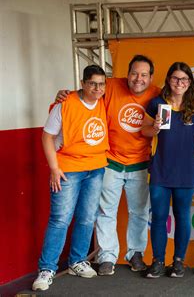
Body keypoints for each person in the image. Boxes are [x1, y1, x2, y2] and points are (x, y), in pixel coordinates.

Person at [55, 55, 161, 275]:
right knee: (105, 211)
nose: (138, 79)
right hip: (110, 161)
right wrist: (65, 95)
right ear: (126, 73)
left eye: (143, 75)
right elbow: (87, 94)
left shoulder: (158, 94)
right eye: (134, 73)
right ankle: (107, 256)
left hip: (140, 163)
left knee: (139, 212)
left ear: (151, 77)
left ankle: (136, 253)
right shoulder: (111, 85)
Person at [32, 65, 109, 291]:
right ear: (83, 83)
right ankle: (47, 269)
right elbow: (47, 137)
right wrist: (54, 168)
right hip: (68, 170)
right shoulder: (65, 105)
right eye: (92, 83)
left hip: (96, 168)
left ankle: (77, 260)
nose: (97, 88)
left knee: (86, 217)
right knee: (60, 219)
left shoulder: (104, 102)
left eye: (101, 84)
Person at [141, 62, 194, 279]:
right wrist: (154, 127)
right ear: (168, 80)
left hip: (185, 170)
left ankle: (178, 261)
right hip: (160, 169)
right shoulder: (157, 103)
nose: (179, 83)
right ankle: (157, 261)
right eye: (175, 78)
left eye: (184, 79)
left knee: (182, 216)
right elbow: (144, 131)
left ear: (189, 83)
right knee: (158, 216)